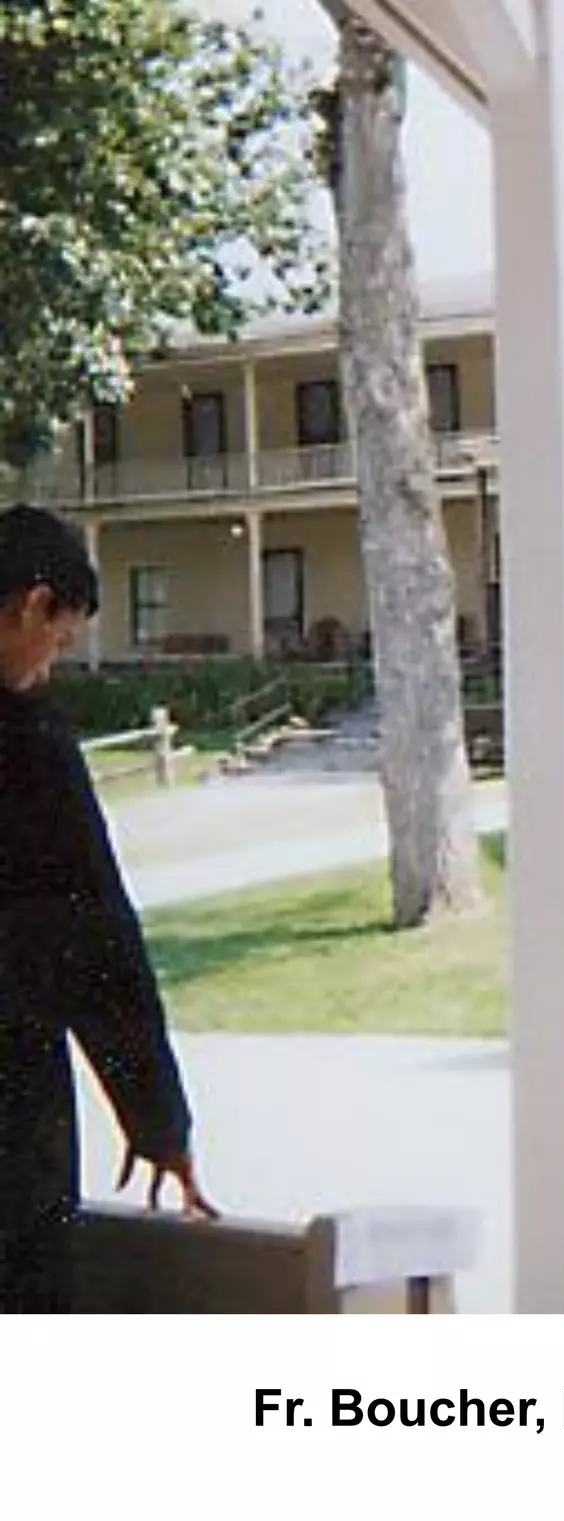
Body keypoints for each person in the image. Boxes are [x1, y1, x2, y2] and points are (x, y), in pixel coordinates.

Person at [0, 504, 216, 1313]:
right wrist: (158, 1120)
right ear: (32, 605)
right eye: (57, 640)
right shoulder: (26, 749)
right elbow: (96, 947)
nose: (51, 665)